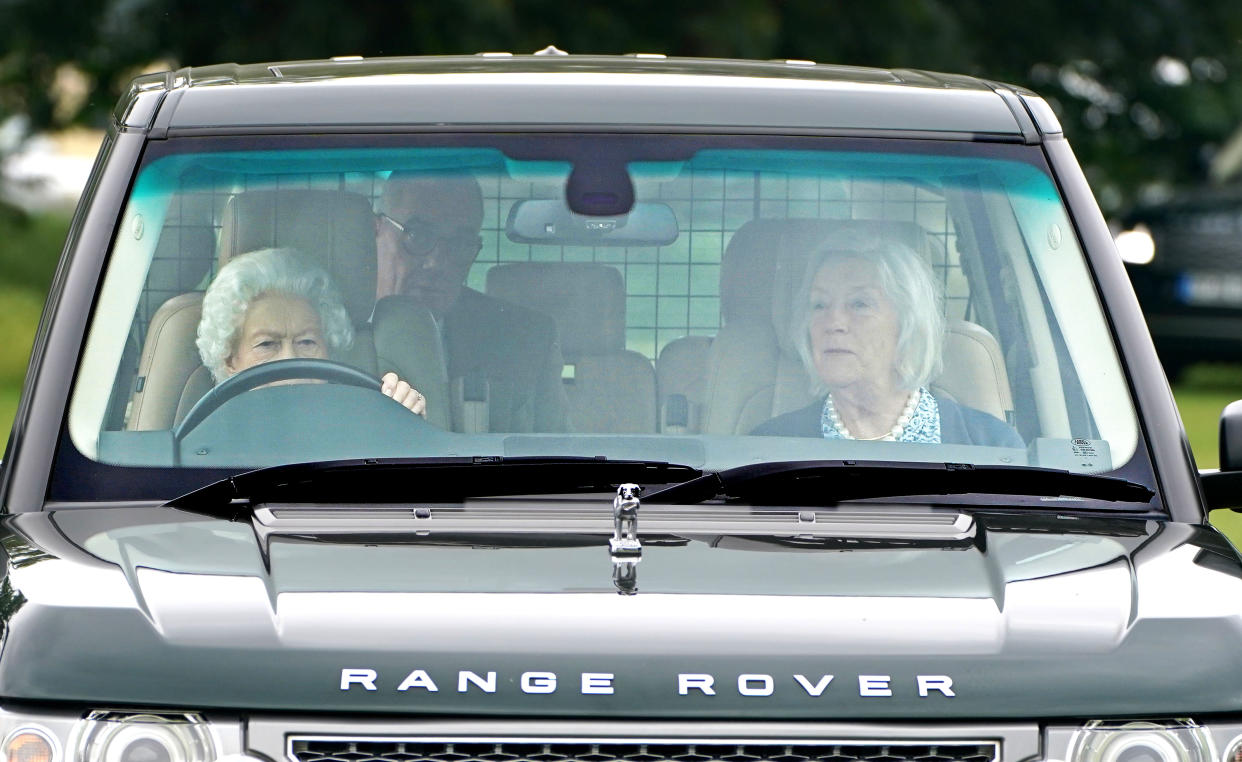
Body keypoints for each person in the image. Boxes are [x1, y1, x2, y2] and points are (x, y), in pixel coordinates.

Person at [752, 235, 1023, 446]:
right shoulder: (767, 447)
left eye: (859, 303)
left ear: (908, 324)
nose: (833, 322)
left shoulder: (991, 444)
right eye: (819, 304)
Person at [374, 169, 569, 432]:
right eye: (417, 235)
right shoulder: (316, 330)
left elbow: (557, 456)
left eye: (459, 244)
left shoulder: (525, 340)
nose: (437, 262)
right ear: (376, 229)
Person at [197, 248, 427, 416]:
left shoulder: (361, 423)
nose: (290, 360)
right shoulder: (207, 442)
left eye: (306, 342)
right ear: (230, 360)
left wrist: (404, 422)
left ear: (328, 350)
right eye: (267, 344)